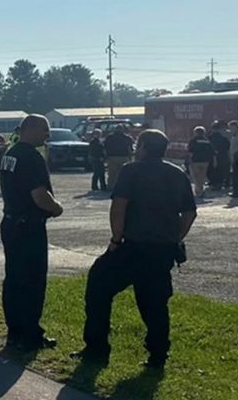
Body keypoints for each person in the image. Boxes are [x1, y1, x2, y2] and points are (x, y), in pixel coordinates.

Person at [75, 129, 197, 369]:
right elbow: (190, 213)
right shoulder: (177, 173)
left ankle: (97, 348)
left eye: (137, 145)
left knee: (98, 287)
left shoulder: (130, 171)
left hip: (131, 247)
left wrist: (115, 240)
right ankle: (158, 355)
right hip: (162, 250)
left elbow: (119, 206)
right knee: (155, 303)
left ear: (142, 147)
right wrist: (174, 237)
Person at [0, 114, 63, 353]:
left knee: (14, 279)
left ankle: (14, 332)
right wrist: (57, 208)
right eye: (45, 130)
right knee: (33, 281)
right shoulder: (31, 157)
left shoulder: (10, 154)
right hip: (29, 227)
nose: (47, 135)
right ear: (32, 129)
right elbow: (39, 196)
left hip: (10, 222)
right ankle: (30, 335)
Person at [103, 125, 134, 190]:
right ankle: (123, 187)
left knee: (112, 174)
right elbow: (130, 149)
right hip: (124, 157)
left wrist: (106, 157)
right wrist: (130, 158)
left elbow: (105, 148)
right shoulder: (127, 138)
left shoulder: (109, 137)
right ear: (122, 130)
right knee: (124, 174)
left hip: (112, 157)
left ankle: (110, 187)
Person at [186, 126, 213, 198]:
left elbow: (190, 151)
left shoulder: (193, 140)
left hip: (195, 161)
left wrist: (189, 160)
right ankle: (200, 191)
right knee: (202, 177)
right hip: (205, 161)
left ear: (195, 132)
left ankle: (199, 191)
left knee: (195, 177)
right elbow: (211, 151)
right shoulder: (207, 140)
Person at [208, 121, 230, 191]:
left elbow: (209, 147)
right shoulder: (224, 138)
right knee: (222, 171)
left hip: (213, 157)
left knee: (214, 171)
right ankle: (223, 183)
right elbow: (228, 146)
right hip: (224, 156)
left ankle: (216, 184)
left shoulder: (210, 137)